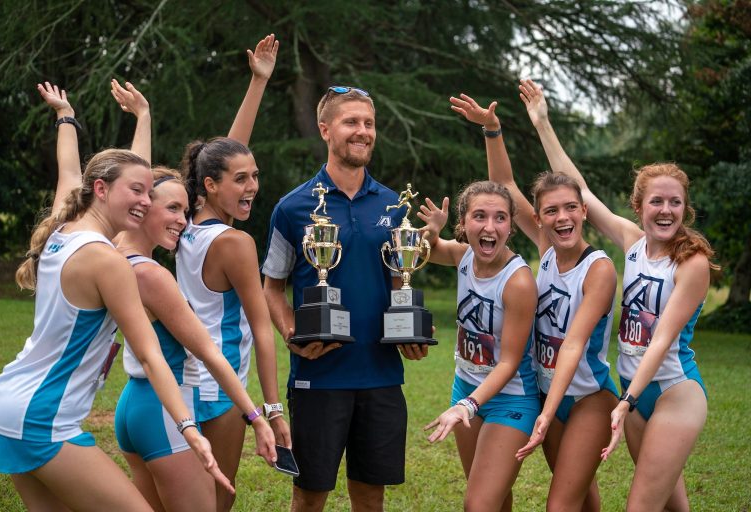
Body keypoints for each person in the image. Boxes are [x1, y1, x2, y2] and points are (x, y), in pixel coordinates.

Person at [0, 82, 229, 511]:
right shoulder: (108, 261)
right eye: (138, 192)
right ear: (101, 189)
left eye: (149, 193)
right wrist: (189, 429)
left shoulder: (63, 227)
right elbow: (150, 355)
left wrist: (68, 118)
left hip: (7, 403)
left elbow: (73, 171)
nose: (146, 201)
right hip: (43, 418)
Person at [53, 78, 276, 510]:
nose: (182, 220)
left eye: (184, 209)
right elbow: (207, 353)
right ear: (140, 208)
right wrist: (263, 414)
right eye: (172, 209)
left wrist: (136, 118)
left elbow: (102, 176)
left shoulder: (113, 247)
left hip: (133, 405)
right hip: (165, 405)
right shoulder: (148, 274)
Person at [519, 78, 716, 511]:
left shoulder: (692, 262)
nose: (666, 210)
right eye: (657, 202)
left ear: (685, 208)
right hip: (634, 389)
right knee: (672, 504)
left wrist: (626, 401)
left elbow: (661, 340)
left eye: (675, 203)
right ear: (638, 206)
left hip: (673, 389)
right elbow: (581, 191)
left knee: (640, 504)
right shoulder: (633, 243)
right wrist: (543, 123)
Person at [449, 93, 619, 511]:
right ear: (539, 219)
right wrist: (492, 131)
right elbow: (505, 187)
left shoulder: (598, 268)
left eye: (571, 208)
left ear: (584, 212)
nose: (562, 218)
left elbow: (573, 345)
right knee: (582, 500)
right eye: (552, 211)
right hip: (547, 392)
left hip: (587, 397)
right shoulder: (546, 251)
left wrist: (547, 411)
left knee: (561, 504)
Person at [262, 86, 428, 512]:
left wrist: (408, 330)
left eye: (369, 123)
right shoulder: (292, 207)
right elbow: (272, 287)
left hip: (381, 376)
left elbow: (400, 281)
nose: (363, 131)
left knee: (371, 498)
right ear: (325, 130)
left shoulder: (393, 205)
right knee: (309, 496)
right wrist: (291, 332)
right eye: (351, 122)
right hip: (319, 376)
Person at [177, 34, 291, 512]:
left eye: (255, 176)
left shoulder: (183, 221)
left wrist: (257, 83)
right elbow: (262, 329)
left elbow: (223, 154)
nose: (252, 187)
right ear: (210, 185)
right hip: (219, 391)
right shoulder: (235, 243)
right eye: (241, 180)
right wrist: (273, 409)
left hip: (178, 383)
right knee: (216, 503)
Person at [420, 181, 540, 512]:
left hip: (510, 398)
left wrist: (468, 405)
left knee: (478, 504)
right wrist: (431, 232)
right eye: (479, 216)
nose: (490, 227)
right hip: (466, 386)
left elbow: (509, 363)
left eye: (500, 218)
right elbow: (425, 252)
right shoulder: (464, 256)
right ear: (463, 223)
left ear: (511, 226)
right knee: (494, 499)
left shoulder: (518, 281)